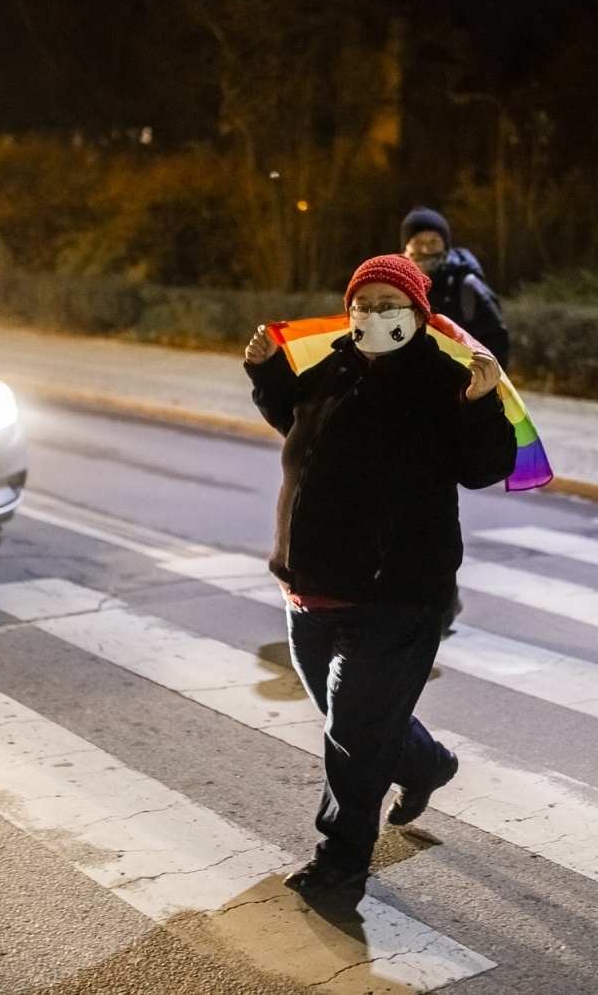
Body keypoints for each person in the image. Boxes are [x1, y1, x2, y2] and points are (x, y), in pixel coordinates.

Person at [244, 254, 516, 898]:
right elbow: (299, 428)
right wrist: (267, 373)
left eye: (388, 304)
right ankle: (427, 763)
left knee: (354, 734)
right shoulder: (333, 363)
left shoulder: (442, 378)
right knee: (353, 721)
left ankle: (340, 861)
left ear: (418, 313)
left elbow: (485, 466)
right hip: (308, 586)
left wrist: (481, 403)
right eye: (363, 303)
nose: (372, 315)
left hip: (396, 592)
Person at [400, 207, 510, 368]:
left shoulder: (467, 287)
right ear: (405, 247)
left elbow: (494, 341)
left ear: (445, 244)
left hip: (459, 388)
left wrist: (484, 387)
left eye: (433, 241)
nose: (426, 249)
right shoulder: (394, 286)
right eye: (418, 242)